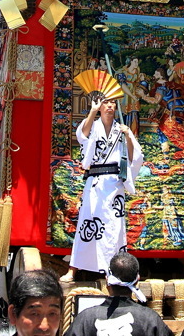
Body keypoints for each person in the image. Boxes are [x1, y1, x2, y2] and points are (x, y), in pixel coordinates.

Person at [61, 88, 143, 283]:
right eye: (106, 103)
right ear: (100, 106)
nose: (110, 106)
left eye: (112, 103)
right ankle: (73, 269)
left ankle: (113, 271)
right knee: (87, 223)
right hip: (95, 181)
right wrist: (92, 111)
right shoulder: (94, 125)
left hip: (114, 183)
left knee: (114, 227)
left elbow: (134, 157)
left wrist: (129, 136)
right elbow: (82, 135)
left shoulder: (121, 129)